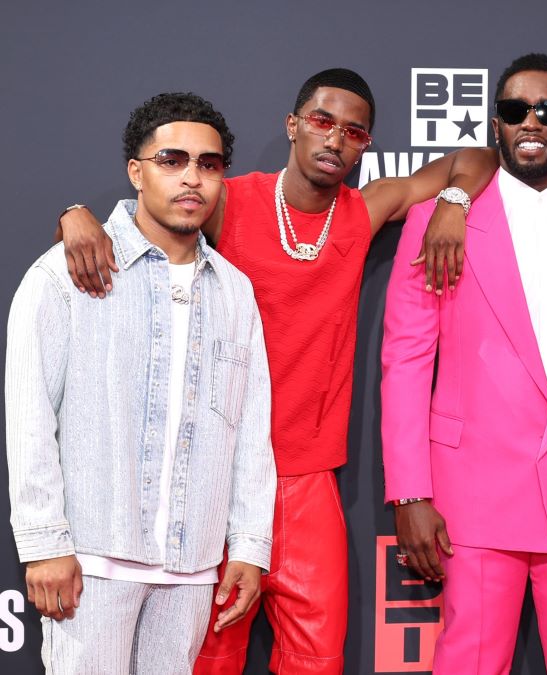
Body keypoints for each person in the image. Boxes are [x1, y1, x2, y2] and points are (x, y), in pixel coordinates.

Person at [56, 68, 498, 674]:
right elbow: (152, 211)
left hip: (306, 477)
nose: (335, 139)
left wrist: (453, 202)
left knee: (318, 658)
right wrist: (74, 213)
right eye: (321, 120)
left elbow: (473, 157)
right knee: (205, 656)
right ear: (292, 126)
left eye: (354, 131)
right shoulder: (229, 198)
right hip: (214, 472)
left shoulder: (362, 212)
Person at [381, 53, 547, 673]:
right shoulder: (436, 222)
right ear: (495, 124)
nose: (531, 122)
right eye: (514, 110)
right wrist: (408, 494)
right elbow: (405, 358)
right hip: (470, 497)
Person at [6, 92, 275, 673]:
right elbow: (29, 416)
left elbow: (252, 431)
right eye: (171, 160)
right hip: (93, 562)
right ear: (137, 171)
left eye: (208, 164)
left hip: (191, 567)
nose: (191, 179)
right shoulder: (65, 275)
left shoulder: (234, 291)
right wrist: (46, 543)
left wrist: (250, 545)